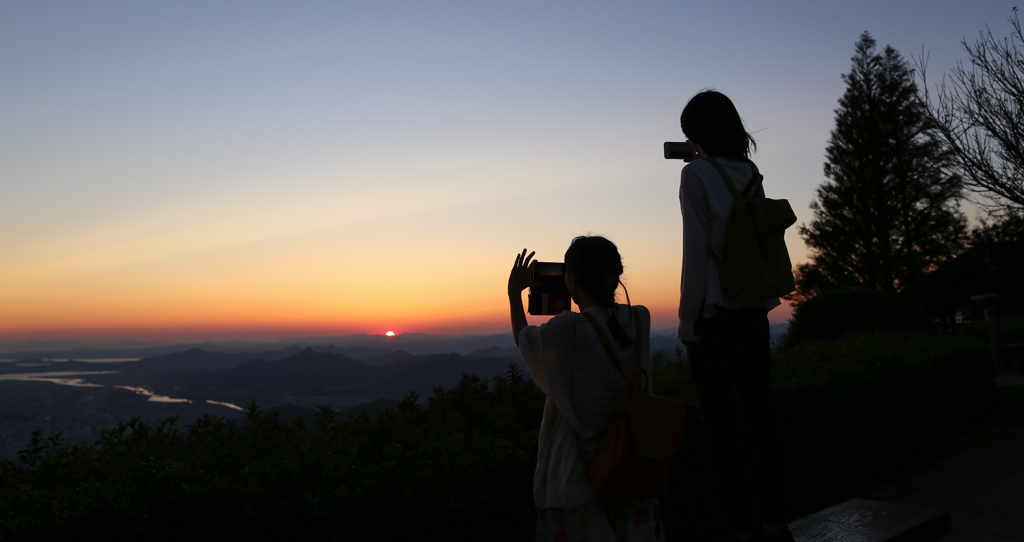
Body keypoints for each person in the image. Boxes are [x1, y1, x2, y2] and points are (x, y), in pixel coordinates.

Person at [677, 89, 793, 542]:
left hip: (715, 318)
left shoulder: (695, 175)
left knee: (722, 427)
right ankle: (774, 515)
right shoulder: (749, 174)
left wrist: (688, 323)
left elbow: (695, 252)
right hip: (753, 313)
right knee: (761, 416)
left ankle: (738, 524)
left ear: (696, 136)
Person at [507, 236, 665, 542]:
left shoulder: (569, 327)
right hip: (633, 467)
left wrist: (515, 294)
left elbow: (525, 339)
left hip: (580, 478)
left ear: (573, 278)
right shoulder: (640, 318)